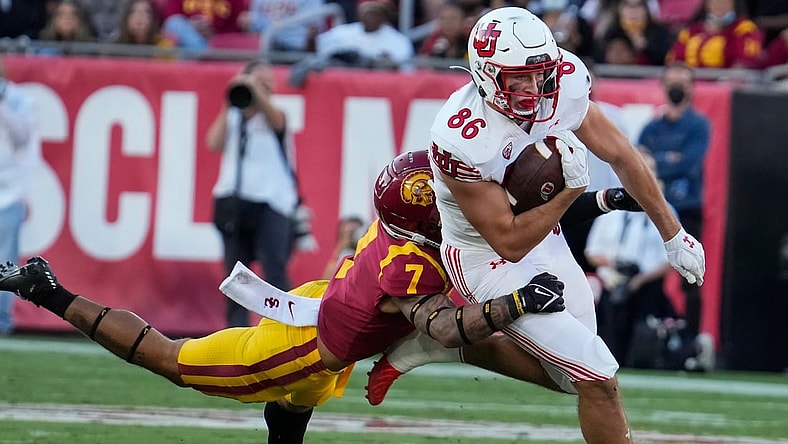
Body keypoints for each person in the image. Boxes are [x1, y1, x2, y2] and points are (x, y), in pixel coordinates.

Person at [0, 150, 570, 444]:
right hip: (307, 341)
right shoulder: (408, 262)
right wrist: (516, 304)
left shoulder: (409, 224)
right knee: (170, 358)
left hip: (330, 301)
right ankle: (47, 291)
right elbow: (446, 327)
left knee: (307, 398)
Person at [366, 8, 705, 444]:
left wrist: (672, 234)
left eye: (539, 73)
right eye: (518, 78)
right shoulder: (462, 137)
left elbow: (621, 154)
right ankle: (455, 337)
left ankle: (449, 344)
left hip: (544, 235)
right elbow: (506, 241)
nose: (533, 88)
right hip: (482, 256)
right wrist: (568, 190)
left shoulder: (561, 84)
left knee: (572, 378)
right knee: (597, 374)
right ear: (486, 75)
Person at [206, 59, 301, 328]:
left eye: (266, 82)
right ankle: (235, 334)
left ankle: (285, 331)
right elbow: (213, 142)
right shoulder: (234, 117)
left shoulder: (277, 114)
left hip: (272, 202)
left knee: (275, 272)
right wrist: (231, 98)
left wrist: (254, 88)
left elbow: (276, 121)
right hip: (233, 201)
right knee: (235, 276)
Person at [636, 61, 710, 366]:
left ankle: (689, 344)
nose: (677, 84)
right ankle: (650, 339)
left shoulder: (698, 124)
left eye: (683, 79)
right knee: (644, 271)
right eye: (672, 79)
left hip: (685, 208)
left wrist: (657, 164)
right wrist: (665, 162)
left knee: (690, 276)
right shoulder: (652, 126)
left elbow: (689, 163)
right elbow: (637, 163)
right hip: (651, 209)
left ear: (692, 86)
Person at [585, 148, 678, 367]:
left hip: (647, 284)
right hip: (612, 281)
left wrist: (639, 279)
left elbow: (671, 257)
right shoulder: (610, 208)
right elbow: (592, 252)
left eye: (651, 169)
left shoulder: (665, 212)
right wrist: (615, 265)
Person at [0, 56, 42, 335]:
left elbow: (22, 136)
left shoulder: (19, 99)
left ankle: (1, 319)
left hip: (9, 191)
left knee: (5, 260)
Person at [665, 0, 763, 68]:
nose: (719, 5)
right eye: (714, 2)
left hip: (726, 87)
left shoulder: (743, 28)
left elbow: (746, 61)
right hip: (691, 84)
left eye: (724, 2)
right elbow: (674, 60)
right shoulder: (691, 31)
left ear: (734, 4)